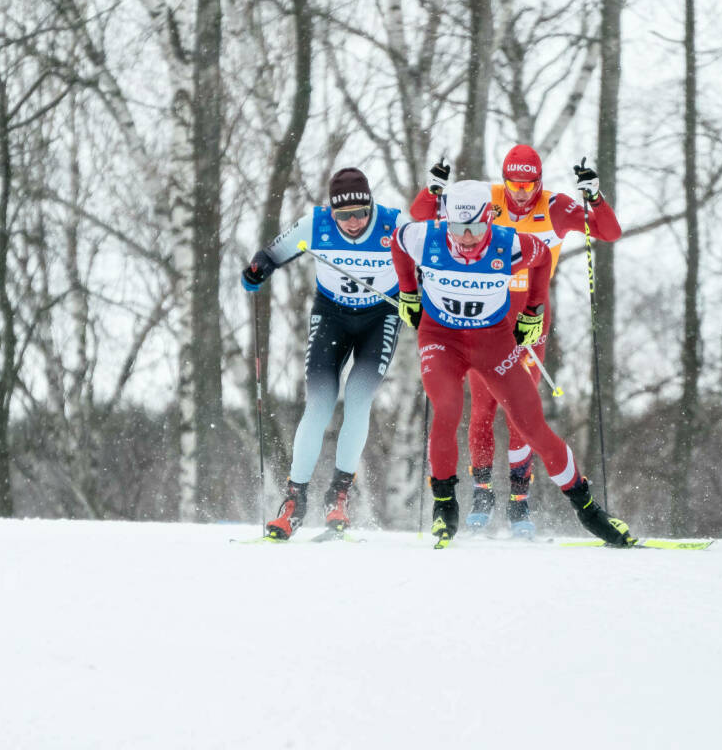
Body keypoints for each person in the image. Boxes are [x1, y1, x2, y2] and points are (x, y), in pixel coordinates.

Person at [392, 179, 636, 548]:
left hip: (493, 342)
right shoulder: (425, 237)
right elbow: (397, 242)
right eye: (458, 228)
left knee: (532, 426)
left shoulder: (509, 243)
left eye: (475, 228)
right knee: (447, 408)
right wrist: (408, 292)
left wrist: (534, 310)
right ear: (446, 222)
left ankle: (588, 509)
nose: (467, 238)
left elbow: (543, 258)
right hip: (442, 340)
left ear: (489, 219)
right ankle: (444, 504)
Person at [242, 167, 411, 539]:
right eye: (344, 215)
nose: (353, 222)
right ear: (332, 211)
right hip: (332, 315)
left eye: (361, 213)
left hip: (380, 316)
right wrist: (257, 269)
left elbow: (433, 255)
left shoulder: (394, 224)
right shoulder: (316, 225)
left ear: (371, 206)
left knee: (358, 397)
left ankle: (338, 495)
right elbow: (271, 254)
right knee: (319, 403)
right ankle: (294, 501)